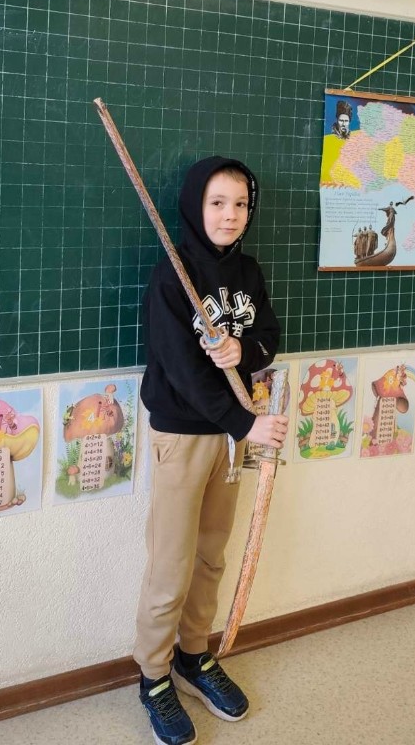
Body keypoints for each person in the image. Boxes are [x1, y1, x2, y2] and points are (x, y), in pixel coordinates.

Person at [134, 156, 287, 745]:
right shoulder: (173, 275)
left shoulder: (248, 271)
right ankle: (153, 676)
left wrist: (242, 353)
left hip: (231, 437)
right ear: (196, 205)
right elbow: (182, 370)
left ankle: (192, 656)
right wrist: (245, 423)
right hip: (184, 434)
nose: (230, 215)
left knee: (211, 556)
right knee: (170, 565)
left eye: (241, 204)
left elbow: (268, 336)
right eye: (218, 203)